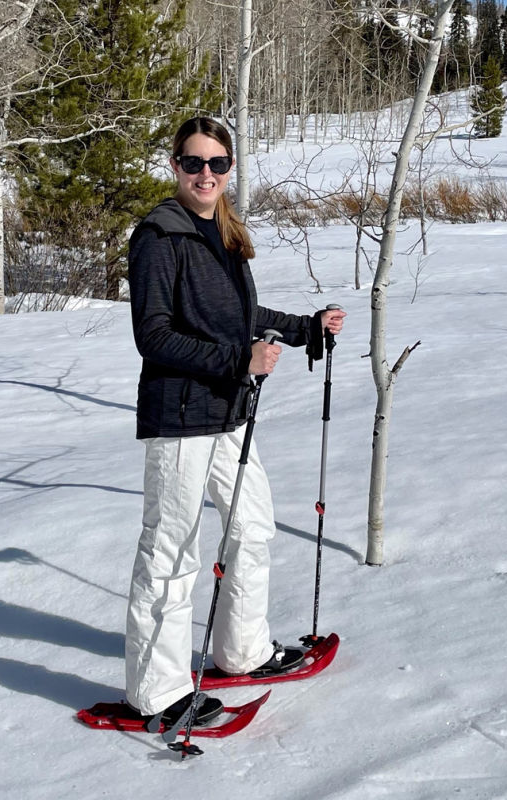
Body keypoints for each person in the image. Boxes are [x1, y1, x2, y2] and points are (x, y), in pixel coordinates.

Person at [124, 117, 346, 727]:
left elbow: (240, 315)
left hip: (226, 411)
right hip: (180, 415)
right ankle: (156, 691)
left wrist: (304, 328)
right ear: (175, 166)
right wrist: (236, 359)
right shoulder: (158, 236)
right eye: (194, 163)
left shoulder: (220, 232)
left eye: (218, 164)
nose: (206, 174)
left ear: (229, 169)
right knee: (171, 552)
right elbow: (154, 337)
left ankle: (241, 650)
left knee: (252, 526)